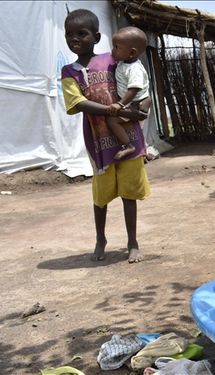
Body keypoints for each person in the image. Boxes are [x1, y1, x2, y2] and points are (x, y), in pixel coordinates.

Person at [61, 9, 150, 263]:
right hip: (99, 141)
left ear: (97, 37)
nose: (75, 38)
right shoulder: (69, 72)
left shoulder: (114, 59)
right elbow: (77, 103)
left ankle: (133, 242)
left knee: (129, 193)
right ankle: (101, 238)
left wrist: (142, 107)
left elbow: (139, 83)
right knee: (101, 196)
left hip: (129, 138)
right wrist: (111, 109)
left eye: (82, 33)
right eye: (69, 34)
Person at [106, 26, 151, 160]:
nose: (112, 50)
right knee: (137, 129)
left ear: (131, 53)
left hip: (135, 105)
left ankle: (128, 146)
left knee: (112, 120)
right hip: (133, 102)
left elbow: (134, 89)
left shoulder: (134, 68)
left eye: (116, 47)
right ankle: (144, 151)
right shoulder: (124, 62)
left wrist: (120, 104)